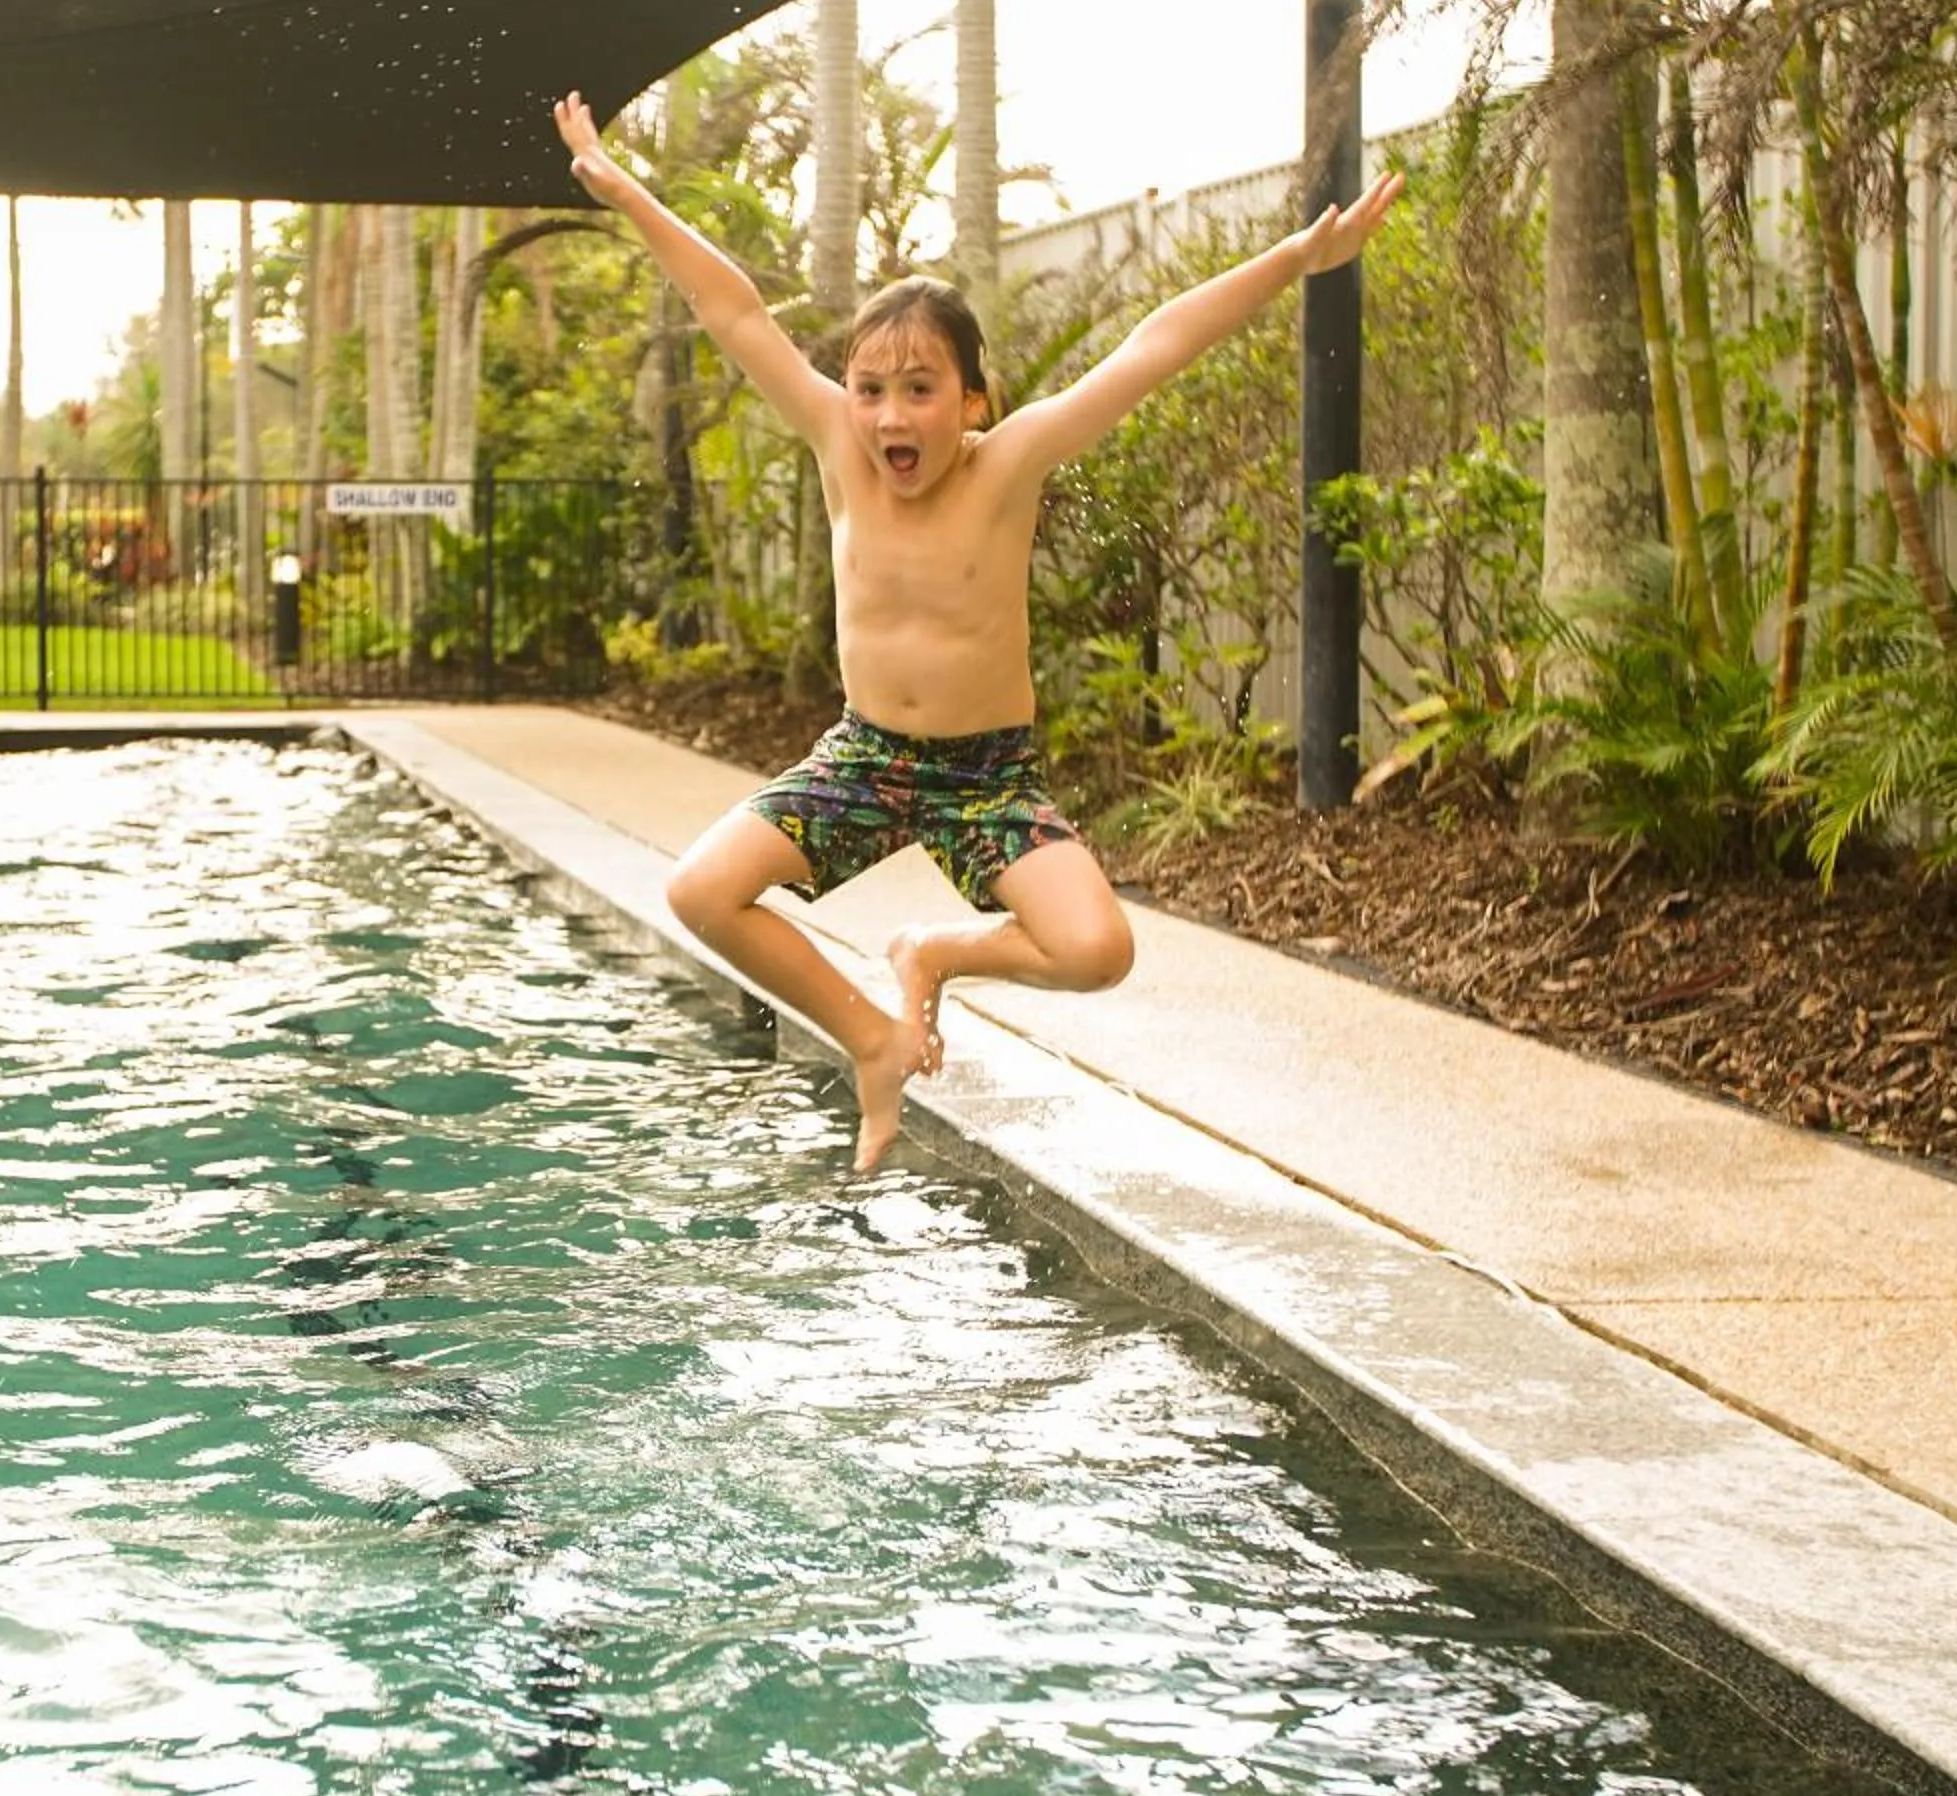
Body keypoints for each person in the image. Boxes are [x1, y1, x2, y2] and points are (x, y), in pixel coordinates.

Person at [552, 91, 1401, 1173]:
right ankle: (871, 1037)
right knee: (698, 890)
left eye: (919, 390)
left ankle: (936, 948)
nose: (891, 417)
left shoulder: (1012, 463)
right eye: (869, 390)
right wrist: (626, 190)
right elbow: (737, 313)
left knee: (1098, 948)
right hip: (865, 755)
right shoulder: (836, 444)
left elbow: (1156, 344)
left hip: (985, 775)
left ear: (974, 402)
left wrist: (1297, 259)